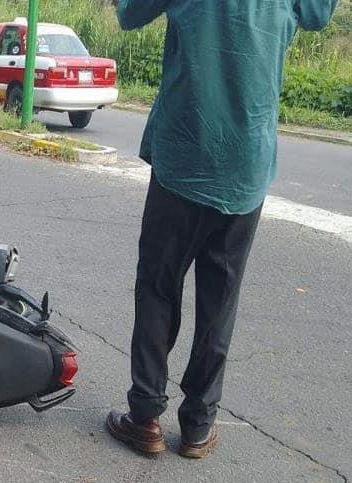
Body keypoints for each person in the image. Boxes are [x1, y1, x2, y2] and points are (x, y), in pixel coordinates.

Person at [106, 0, 339, 458]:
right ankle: (197, 426)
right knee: (220, 297)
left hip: (183, 157)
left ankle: (146, 416)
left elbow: (129, 12)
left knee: (157, 286)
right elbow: (318, 14)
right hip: (245, 166)